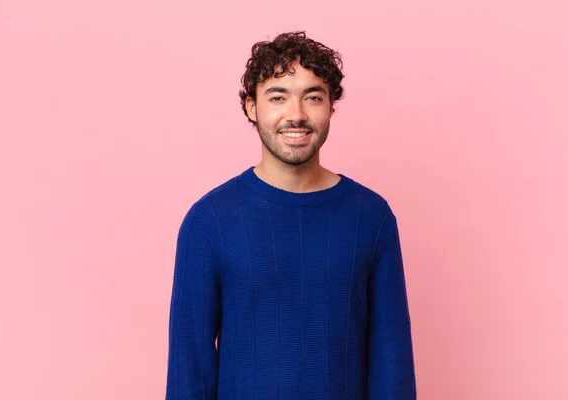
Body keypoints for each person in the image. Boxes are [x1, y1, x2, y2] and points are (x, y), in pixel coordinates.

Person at [165, 31, 416, 399]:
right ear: (251, 107)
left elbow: (392, 362)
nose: (296, 115)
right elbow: (189, 367)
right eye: (277, 97)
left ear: (332, 105)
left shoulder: (371, 217)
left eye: (312, 97)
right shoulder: (208, 221)